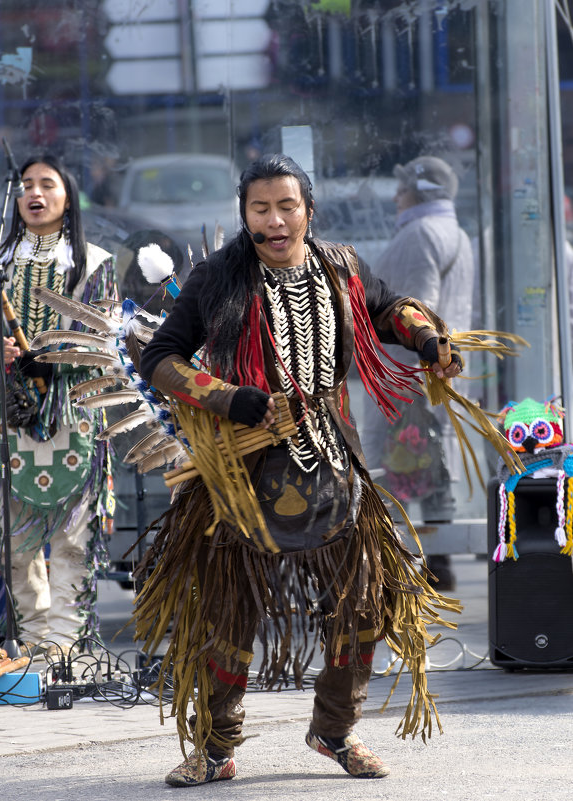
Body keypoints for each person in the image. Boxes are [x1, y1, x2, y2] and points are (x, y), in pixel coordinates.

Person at [134, 153, 465, 787]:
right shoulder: (218, 278)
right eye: (261, 208)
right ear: (245, 215)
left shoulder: (341, 268)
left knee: (364, 599)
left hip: (332, 463)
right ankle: (215, 747)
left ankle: (335, 730)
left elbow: (391, 307)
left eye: (288, 206)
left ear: (308, 211)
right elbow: (161, 358)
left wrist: (427, 340)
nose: (276, 220)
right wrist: (234, 398)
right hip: (240, 473)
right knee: (227, 612)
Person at [0, 154, 118, 655]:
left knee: (74, 539)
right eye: (26, 184)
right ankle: (34, 644)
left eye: (47, 184)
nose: (34, 193)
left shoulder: (93, 263)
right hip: (14, 418)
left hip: (76, 417)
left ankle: (68, 646)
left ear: (67, 196)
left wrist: (54, 362)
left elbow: (107, 340)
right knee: (20, 541)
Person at [361, 155, 474, 592]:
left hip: (407, 378)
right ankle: (438, 561)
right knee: (432, 468)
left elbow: (416, 312)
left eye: (403, 187)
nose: (396, 195)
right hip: (436, 380)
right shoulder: (456, 233)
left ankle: (400, 568)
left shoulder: (420, 233)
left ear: (421, 192)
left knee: (399, 468)